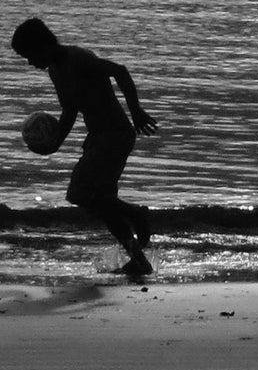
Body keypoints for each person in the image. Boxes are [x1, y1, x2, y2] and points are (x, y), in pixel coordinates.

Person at [11, 16, 158, 277]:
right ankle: (138, 258)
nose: (30, 63)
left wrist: (136, 112)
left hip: (115, 135)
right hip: (98, 137)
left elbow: (120, 71)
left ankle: (136, 214)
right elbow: (69, 109)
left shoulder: (77, 59)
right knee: (102, 203)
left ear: (42, 45)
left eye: (29, 56)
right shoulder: (55, 70)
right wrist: (55, 142)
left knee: (80, 193)